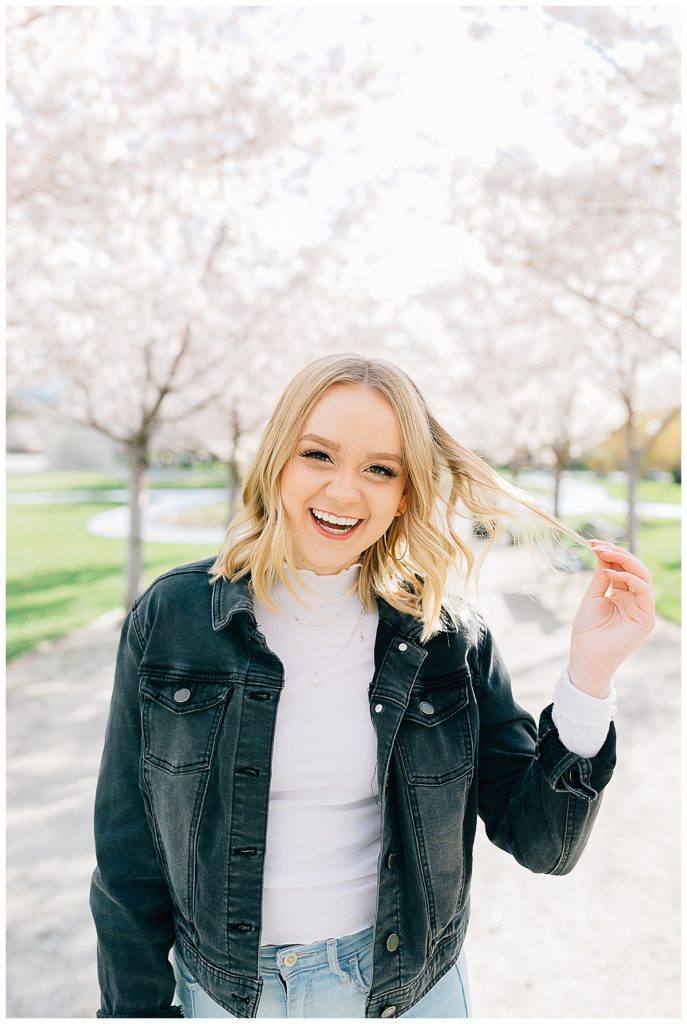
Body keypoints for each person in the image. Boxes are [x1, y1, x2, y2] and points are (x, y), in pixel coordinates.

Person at [90, 353, 655, 1019]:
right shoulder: (174, 619)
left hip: (408, 996)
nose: (342, 492)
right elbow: (127, 855)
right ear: (277, 461)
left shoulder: (449, 641)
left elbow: (544, 844)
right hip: (224, 996)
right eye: (317, 455)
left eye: (378, 469)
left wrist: (589, 675)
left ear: (404, 494)